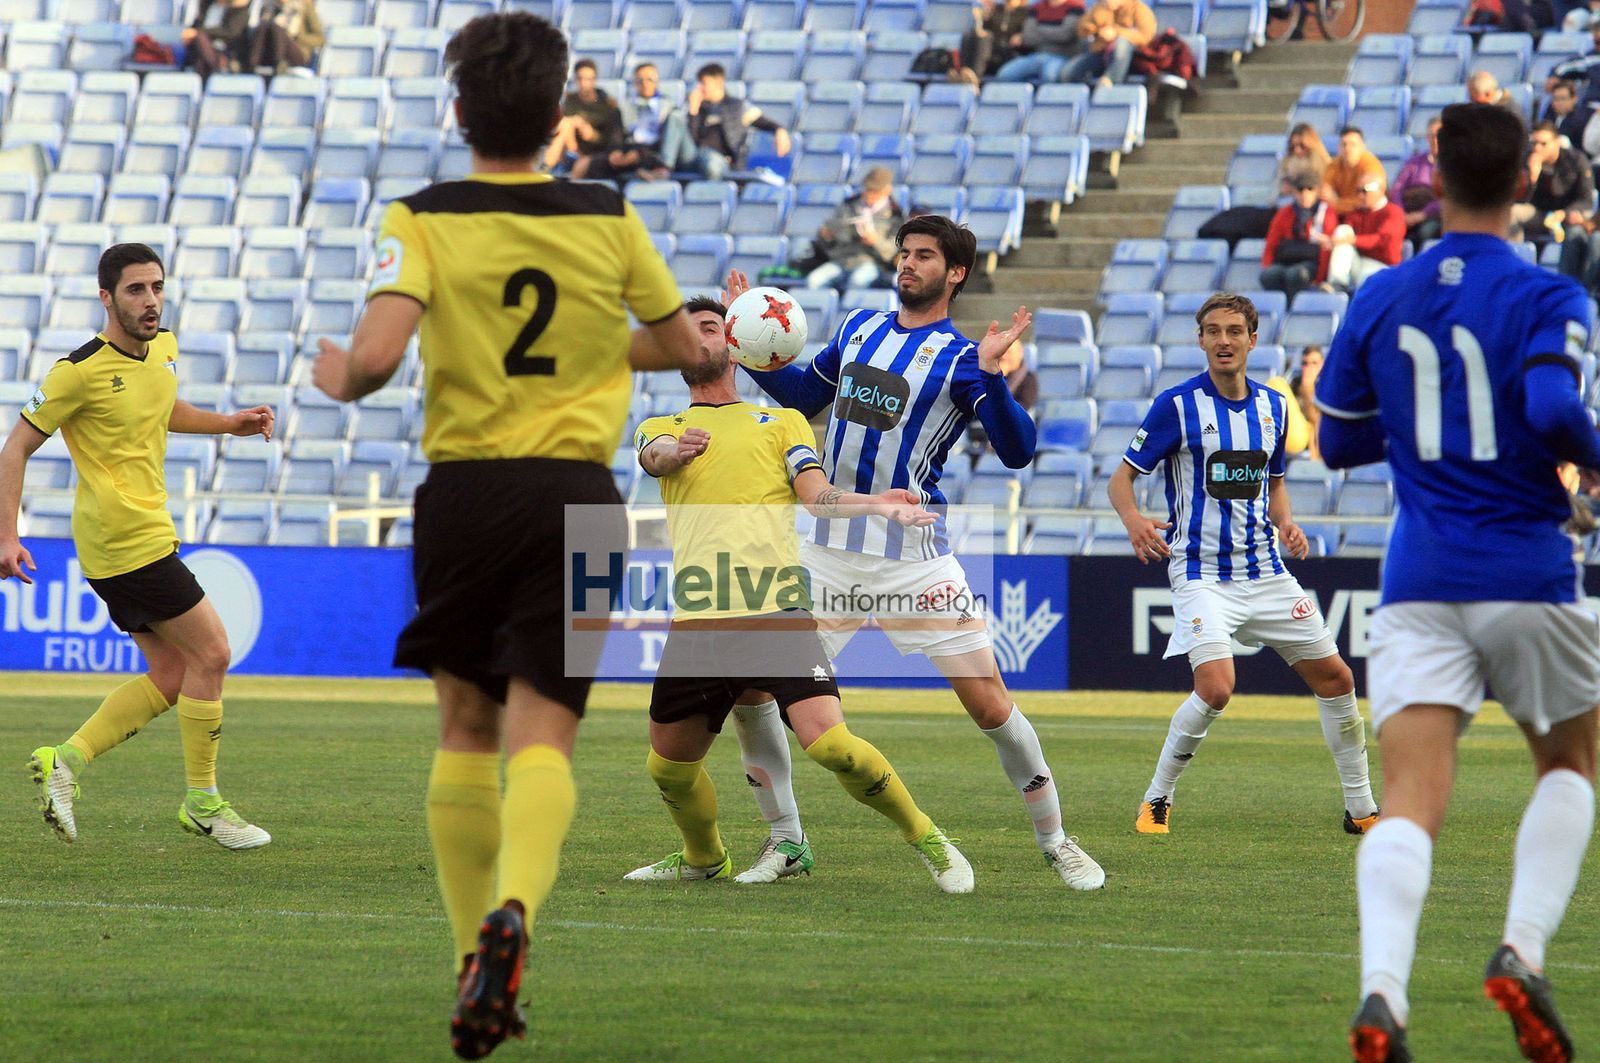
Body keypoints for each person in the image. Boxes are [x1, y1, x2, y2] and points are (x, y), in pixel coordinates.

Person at [309, 13, 700, 1060]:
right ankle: (516, 910)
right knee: (546, 734)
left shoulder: (423, 215)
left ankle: (465, 960)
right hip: (578, 497)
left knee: (466, 732)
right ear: (556, 114)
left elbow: (380, 360)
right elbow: (670, 341)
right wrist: (593, 343)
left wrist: (334, 369)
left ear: (458, 110)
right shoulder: (607, 216)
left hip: (467, 498)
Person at [1317, 102, 1599, 1063]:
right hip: (1526, 568)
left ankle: (1384, 995)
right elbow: (1554, 407)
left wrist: (1412, 418)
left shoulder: (1380, 295)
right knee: (1569, 764)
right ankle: (1520, 951)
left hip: (1421, 576)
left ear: (1430, 179)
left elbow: (1338, 438)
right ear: (1525, 182)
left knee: (1408, 800)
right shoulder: (1551, 295)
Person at [734, 216, 1107, 892]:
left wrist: (993, 374)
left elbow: (1019, 451)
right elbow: (802, 395)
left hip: (914, 555)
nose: (907, 264)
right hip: (827, 549)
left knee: (990, 704)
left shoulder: (964, 358)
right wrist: (749, 348)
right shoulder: (858, 329)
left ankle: (1056, 840)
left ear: (954, 273)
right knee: (755, 690)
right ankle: (787, 840)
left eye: (924, 256)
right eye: (903, 253)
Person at [623, 294, 974, 893]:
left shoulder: (781, 422)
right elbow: (653, 458)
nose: (696, 339)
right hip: (700, 616)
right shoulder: (664, 427)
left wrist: (876, 504)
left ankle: (930, 839)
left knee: (832, 744)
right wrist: (671, 454)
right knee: (669, 767)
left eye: (708, 327)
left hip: (774, 610)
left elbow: (817, 495)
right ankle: (705, 859)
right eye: (686, 333)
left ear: (734, 342)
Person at [0, 243, 276, 851]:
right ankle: (203, 802)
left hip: (141, 536)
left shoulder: (165, 349)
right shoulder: (76, 372)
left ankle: (63, 761)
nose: (150, 300)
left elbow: (161, 408)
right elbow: (15, 446)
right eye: (135, 290)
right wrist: (6, 535)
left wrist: (228, 423)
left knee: (175, 673)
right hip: (124, 539)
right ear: (106, 297)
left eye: (156, 287)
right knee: (214, 653)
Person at [1107, 293, 1376, 838]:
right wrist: (1133, 518)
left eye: (1234, 330)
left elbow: (1273, 482)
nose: (1224, 340)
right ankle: (1157, 799)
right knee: (1217, 687)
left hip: (1266, 572)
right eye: (1213, 331)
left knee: (1338, 678)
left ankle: (1362, 808)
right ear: (1200, 340)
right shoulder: (1177, 406)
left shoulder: (1274, 408)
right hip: (1201, 572)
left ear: (1253, 339)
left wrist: (1287, 522)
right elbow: (1122, 478)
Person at [805, 166, 904, 293]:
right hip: (842, 260)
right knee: (813, 281)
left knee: (858, 281)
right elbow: (826, 243)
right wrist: (825, 237)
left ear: (886, 191)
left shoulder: (895, 215)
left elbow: (892, 252)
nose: (869, 194)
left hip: (871, 263)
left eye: (875, 190)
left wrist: (875, 241)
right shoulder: (848, 206)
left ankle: (851, 312)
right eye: (867, 189)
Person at [685, 63, 791, 181]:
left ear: (719, 82)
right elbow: (690, 141)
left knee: (711, 164)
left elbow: (765, 122)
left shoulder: (737, 107)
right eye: (699, 84)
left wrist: (780, 130)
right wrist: (693, 111)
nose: (700, 88)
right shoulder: (698, 109)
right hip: (696, 158)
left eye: (704, 83)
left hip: (722, 162)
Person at [1512, 121, 1594, 256]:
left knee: (1576, 229)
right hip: (1538, 213)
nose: (1537, 148)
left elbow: (1586, 200)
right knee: (1513, 213)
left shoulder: (1576, 159)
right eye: (1534, 143)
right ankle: (1516, 260)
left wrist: (1565, 213)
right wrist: (1531, 179)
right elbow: (1518, 200)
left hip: (1567, 215)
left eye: (1543, 144)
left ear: (1556, 142)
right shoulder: (1526, 158)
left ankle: (1568, 274)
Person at [606, 62, 692, 180]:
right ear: (635, 83)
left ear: (657, 82)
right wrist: (616, 152)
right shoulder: (625, 108)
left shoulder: (669, 107)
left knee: (675, 118)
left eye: (649, 80)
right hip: (632, 150)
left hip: (656, 153)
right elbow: (617, 136)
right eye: (640, 80)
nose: (645, 84)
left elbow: (670, 142)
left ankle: (662, 169)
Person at [540, 59, 625, 179]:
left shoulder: (608, 105)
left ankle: (545, 169)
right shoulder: (570, 100)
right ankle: (545, 170)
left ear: (595, 80)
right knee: (566, 123)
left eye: (588, 79)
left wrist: (592, 135)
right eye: (580, 78)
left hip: (597, 153)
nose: (584, 83)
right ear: (575, 80)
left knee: (566, 124)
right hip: (572, 149)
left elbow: (612, 141)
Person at [1261, 172, 1338, 301]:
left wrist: (1320, 278)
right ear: (1294, 192)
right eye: (1300, 190)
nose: (1305, 194)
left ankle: (1292, 308)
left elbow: (1327, 248)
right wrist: (1267, 264)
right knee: (1269, 275)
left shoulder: (1326, 212)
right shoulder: (1285, 212)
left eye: (1310, 189)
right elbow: (1272, 242)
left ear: (1317, 191)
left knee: (1296, 275)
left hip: (1311, 261)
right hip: (1287, 258)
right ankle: (1279, 306)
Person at [1325, 177, 1407, 295]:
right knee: (1342, 230)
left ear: (1381, 190)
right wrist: (1331, 241)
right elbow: (1345, 236)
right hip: (1358, 262)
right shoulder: (1357, 212)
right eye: (1358, 191)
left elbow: (1382, 239)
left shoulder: (1393, 212)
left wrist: (1351, 240)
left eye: (1365, 190)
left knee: (1366, 279)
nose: (1360, 195)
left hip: (1383, 265)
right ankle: (1338, 285)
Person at [1062, 0, 1155, 87]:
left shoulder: (1140, 10)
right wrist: (1097, 25)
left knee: (1121, 43)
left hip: (1130, 59)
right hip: (1100, 54)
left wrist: (1116, 33)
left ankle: (1110, 83)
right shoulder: (1100, 7)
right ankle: (1084, 96)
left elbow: (1146, 37)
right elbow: (1082, 30)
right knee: (1068, 72)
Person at [991, 0, 1086, 85]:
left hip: (1062, 57)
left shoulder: (1075, 6)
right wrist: (1055, 31)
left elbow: (1065, 35)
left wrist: (1039, 30)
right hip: (1037, 55)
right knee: (1005, 74)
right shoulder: (1037, 7)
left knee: (1050, 76)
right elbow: (1029, 36)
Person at [1391, 118, 1442, 245]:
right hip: (1407, 211)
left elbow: (1447, 197)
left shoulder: (1451, 164)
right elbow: (1397, 189)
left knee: (1425, 232)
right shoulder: (1414, 162)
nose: (1435, 139)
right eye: (1431, 135)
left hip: (1433, 215)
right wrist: (1401, 213)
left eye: (1439, 135)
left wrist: (1423, 214)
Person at [1322, 127, 1387, 215]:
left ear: (1362, 146)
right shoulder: (1334, 165)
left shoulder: (1371, 166)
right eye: (1344, 144)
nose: (1347, 149)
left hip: (1367, 214)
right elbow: (1324, 193)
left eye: (1353, 144)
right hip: (1339, 214)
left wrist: (1336, 203)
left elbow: (1367, 200)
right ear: (1338, 147)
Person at [1277, 121, 1332, 200]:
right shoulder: (1286, 164)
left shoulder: (1325, 165)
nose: (1297, 150)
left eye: (1302, 146)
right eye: (1293, 146)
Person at [1540, 80, 1590, 148]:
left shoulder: (1582, 119)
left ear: (1574, 99)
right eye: (1556, 99)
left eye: (1563, 99)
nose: (1559, 103)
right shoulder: (1550, 112)